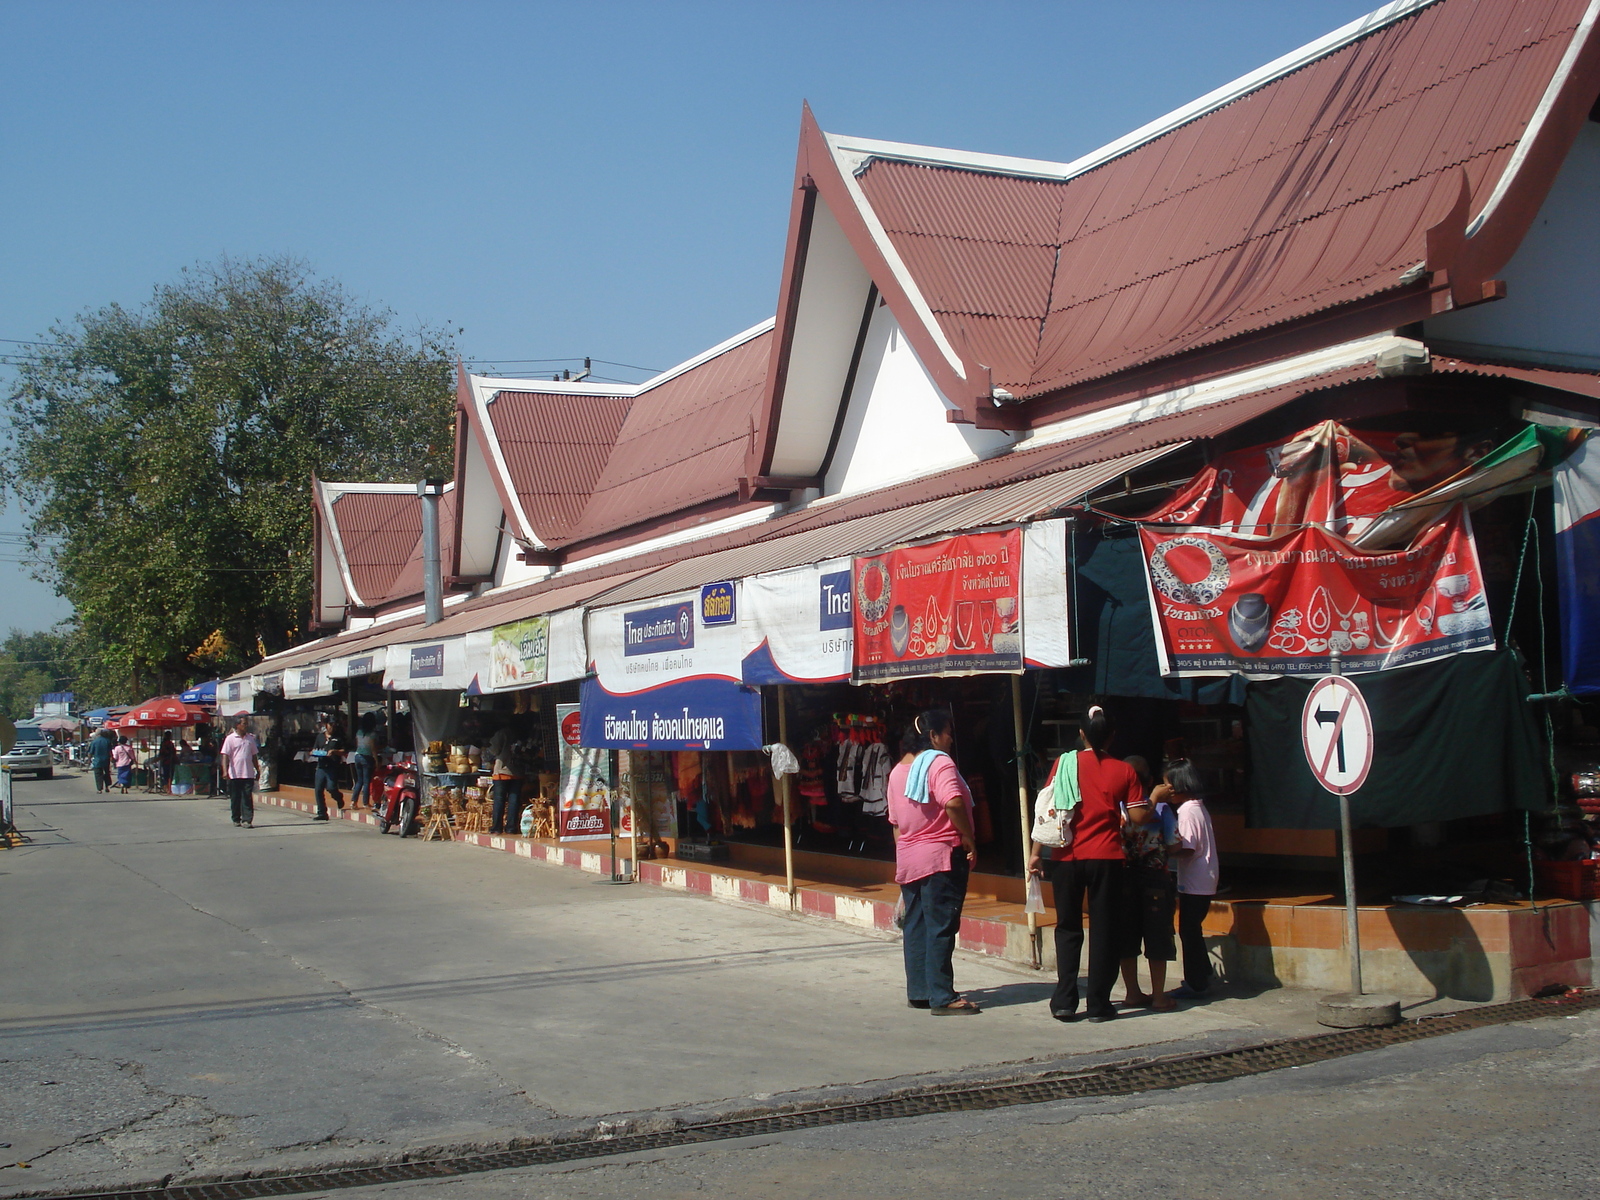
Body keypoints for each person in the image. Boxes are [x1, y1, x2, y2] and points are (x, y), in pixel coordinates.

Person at [1028, 705, 1142, 1023]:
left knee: (1067, 927)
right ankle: (1098, 1004)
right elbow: (1136, 816)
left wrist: (1037, 851)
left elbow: (1048, 810)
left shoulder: (1064, 764)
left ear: (1081, 734)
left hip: (1066, 857)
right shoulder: (1125, 770)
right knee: (1105, 929)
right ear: (1112, 735)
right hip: (1107, 857)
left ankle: (1065, 999)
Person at [888, 709, 980, 1016]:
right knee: (941, 925)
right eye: (947, 732)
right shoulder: (939, 763)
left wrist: (906, 850)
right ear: (933, 736)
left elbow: (896, 824)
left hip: (910, 857)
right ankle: (942, 996)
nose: (951, 738)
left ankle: (920, 991)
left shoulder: (897, 771)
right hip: (940, 855)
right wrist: (966, 836)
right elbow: (952, 801)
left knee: (915, 925)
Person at [1158, 759, 1219, 1000]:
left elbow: (1189, 847)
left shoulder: (1188, 812)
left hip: (1197, 882)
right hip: (1200, 880)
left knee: (1188, 931)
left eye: (1168, 785)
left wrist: (1167, 849)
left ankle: (1196, 983)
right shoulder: (1196, 808)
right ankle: (1203, 972)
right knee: (1193, 929)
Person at [1116, 794, 1179, 1011]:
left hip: (1124, 878)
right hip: (1155, 880)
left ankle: (1132, 992)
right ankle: (1159, 996)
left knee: (1127, 937)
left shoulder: (1118, 808)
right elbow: (1174, 844)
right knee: (1158, 935)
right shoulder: (1161, 808)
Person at [486, 718, 534, 835]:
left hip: (502, 771)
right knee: (514, 800)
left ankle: (497, 827)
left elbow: (494, 750)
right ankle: (511, 828)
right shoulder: (522, 734)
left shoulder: (502, 733)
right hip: (518, 772)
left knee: (499, 800)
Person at [220, 715, 260, 828]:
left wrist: (257, 769)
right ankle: (236, 818)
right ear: (237, 725)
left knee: (247, 797)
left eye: (247, 724)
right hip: (235, 773)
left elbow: (254, 755)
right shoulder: (230, 739)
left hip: (248, 773)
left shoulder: (250, 738)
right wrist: (225, 770)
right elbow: (225, 756)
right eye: (244, 724)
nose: (246, 726)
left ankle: (247, 819)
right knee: (236, 797)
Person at [311, 716, 346, 821]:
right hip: (321, 766)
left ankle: (338, 797)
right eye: (330, 725)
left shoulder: (338, 737)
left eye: (334, 725)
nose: (332, 727)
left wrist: (334, 751)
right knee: (318, 790)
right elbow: (314, 748)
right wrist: (313, 752)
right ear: (326, 725)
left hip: (332, 766)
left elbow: (344, 750)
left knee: (331, 787)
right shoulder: (320, 737)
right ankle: (322, 813)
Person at [351, 715, 377, 809]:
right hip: (367, 757)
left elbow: (357, 744)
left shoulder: (359, 732)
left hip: (357, 756)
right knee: (366, 781)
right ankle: (365, 803)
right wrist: (376, 760)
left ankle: (354, 802)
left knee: (359, 781)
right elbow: (373, 748)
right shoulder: (372, 734)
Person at [89, 727, 115, 794]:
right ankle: (107, 787)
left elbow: (91, 752)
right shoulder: (107, 741)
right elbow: (110, 751)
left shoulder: (94, 742)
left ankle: (99, 789)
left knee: (98, 774)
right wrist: (112, 758)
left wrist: (89, 760)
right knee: (107, 773)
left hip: (97, 761)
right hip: (106, 760)